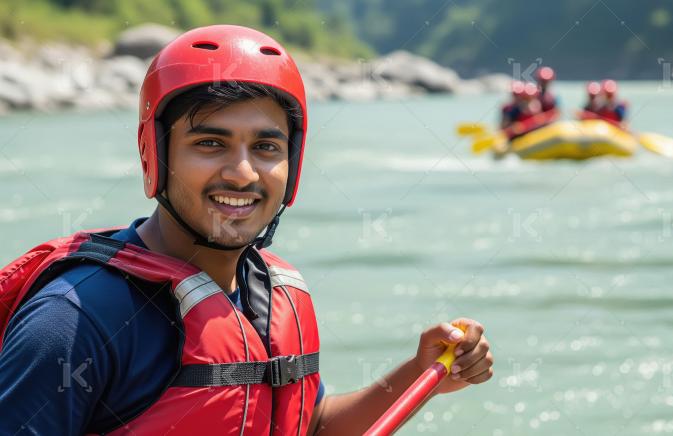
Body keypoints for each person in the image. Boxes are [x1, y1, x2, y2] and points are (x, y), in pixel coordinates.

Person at [0, 25, 494, 435]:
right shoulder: (74, 320)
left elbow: (310, 425)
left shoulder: (277, 293)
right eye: (211, 143)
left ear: (292, 164)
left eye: (266, 147)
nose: (242, 173)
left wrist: (418, 373)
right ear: (156, 154)